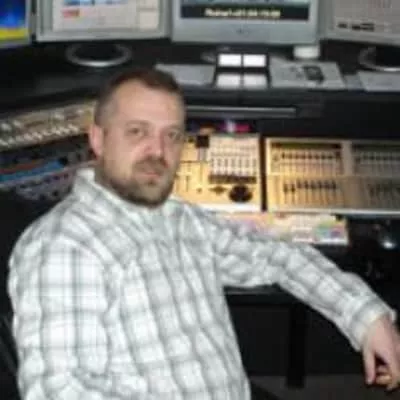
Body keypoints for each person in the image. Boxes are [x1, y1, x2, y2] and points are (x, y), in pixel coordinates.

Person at [8, 67, 400, 400]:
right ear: (98, 139)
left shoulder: (178, 218)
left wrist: (365, 316)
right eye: (137, 132)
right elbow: (61, 391)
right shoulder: (65, 247)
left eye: (172, 136)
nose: (158, 152)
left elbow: (274, 255)